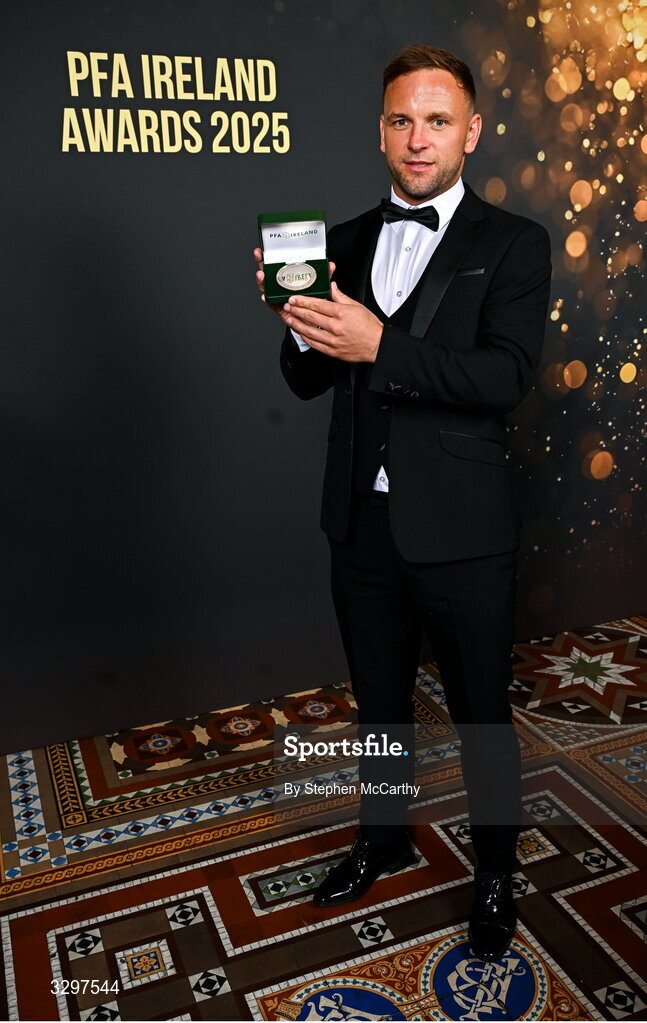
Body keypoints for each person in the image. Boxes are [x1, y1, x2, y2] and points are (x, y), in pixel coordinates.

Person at [253, 44, 551, 962]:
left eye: (435, 120)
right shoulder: (338, 237)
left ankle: (495, 864)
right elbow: (304, 380)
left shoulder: (513, 243)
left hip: (462, 531)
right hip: (361, 525)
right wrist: (296, 327)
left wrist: (376, 342)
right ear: (379, 130)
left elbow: (504, 376)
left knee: (478, 712)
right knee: (379, 702)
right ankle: (381, 833)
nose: (415, 138)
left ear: (470, 131)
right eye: (399, 120)